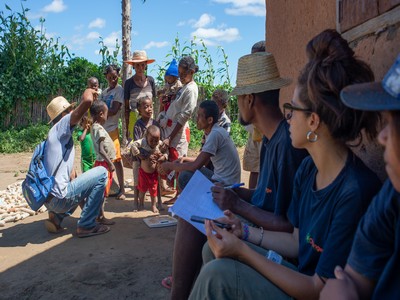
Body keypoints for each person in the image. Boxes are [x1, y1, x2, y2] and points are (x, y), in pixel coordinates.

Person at [189, 29, 382, 300]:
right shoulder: (308, 171)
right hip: (299, 272)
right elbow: (295, 241)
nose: (287, 117)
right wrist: (242, 231)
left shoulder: (354, 191)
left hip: (311, 289)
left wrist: (241, 249)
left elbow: (318, 289)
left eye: (293, 109)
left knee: (215, 276)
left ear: (313, 121)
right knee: (212, 249)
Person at [166, 52, 307, 299]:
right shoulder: (272, 141)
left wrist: (237, 204)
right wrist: (239, 192)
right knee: (195, 203)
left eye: (239, 97)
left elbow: (287, 223)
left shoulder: (286, 145)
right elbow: (267, 197)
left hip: (276, 241)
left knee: (193, 218)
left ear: (250, 100)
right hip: (259, 223)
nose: (236, 104)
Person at [320, 54, 400, 300]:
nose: (382, 137)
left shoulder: (356, 188)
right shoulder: (391, 196)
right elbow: (350, 281)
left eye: (393, 122)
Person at [43, 91, 110, 238]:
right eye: (69, 110)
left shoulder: (54, 136)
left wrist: (86, 206)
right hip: (60, 200)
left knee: (76, 184)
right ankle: (86, 225)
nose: (73, 112)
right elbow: (86, 101)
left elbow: (74, 178)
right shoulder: (61, 128)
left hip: (50, 201)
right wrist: (90, 91)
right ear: (63, 115)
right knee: (102, 172)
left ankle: (56, 218)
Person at [160, 100, 241, 189]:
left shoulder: (215, 134)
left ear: (210, 120)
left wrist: (169, 165)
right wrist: (184, 159)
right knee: (185, 167)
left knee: (185, 176)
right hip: (223, 179)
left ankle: (200, 202)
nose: (196, 118)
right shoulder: (214, 131)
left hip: (226, 184)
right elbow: (204, 161)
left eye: (200, 116)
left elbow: (195, 166)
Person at [128, 96, 160, 208]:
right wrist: (144, 156)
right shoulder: (138, 125)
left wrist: (157, 155)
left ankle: (158, 202)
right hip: (139, 157)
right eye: (146, 107)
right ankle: (136, 202)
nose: (149, 109)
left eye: (151, 106)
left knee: (156, 180)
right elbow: (136, 143)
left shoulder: (155, 123)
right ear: (139, 110)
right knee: (137, 181)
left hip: (153, 158)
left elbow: (159, 141)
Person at [100, 64, 125, 200]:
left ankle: (122, 189)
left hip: (112, 129)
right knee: (104, 159)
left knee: (116, 159)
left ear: (118, 76)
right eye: (110, 78)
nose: (113, 80)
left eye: (115, 77)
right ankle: (109, 188)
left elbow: (115, 110)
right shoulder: (104, 92)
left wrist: (100, 113)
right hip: (103, 129)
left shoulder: (119, 90)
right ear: (106, 78)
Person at [89, 100, 117, 226]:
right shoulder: (98, 129)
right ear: (101, 114)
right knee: (103, 193)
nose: (107, 116)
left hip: (101, 164)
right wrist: (110, 164)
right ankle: (100, 216)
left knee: (102, 192)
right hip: (104, 165)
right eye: (106, 114)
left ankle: (99, 215)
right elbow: (101, 149)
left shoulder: (94, 127)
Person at [243, 40, 265, 189]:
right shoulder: (251, 79)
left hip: (265, 131)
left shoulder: (268, 78)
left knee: (265, 167)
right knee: (254, 167)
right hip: (253, 130)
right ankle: (252, 198)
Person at [130, 125, 168, 213]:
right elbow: (133, 145)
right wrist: (139, 154)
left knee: (153, 191)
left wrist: (164, 157)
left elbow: (166, 151)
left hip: (154, 174)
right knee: (142, 190)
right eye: (152, 140)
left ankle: (154, 205)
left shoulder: (159, 144)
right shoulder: (142, 142)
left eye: (156, 140)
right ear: (146, 136)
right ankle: (141, 204)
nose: (154, 143)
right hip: (143, 173)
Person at [124, 50, 156, 141]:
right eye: (137, 65)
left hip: (149, 118)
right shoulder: (129, 83)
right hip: (134, 118)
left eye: (142, 65)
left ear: (146, 65)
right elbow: (126, 108)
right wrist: (127, 127)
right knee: (134, 145)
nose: (140, 68)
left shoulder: (151, 81)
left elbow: (153, 102)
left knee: (149, 143)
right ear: (133, 66)